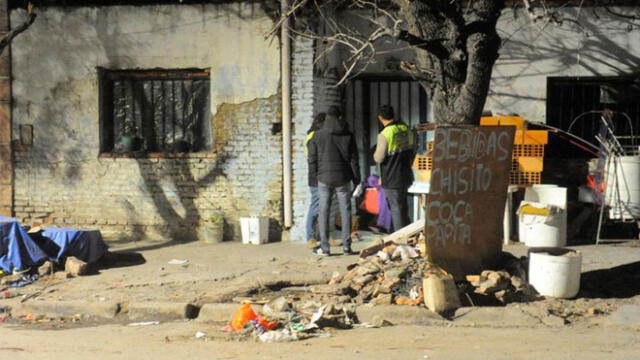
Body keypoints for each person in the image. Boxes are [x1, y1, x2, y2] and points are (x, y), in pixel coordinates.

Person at [308, 106, 360, 256]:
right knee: (345, 211)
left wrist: (314, 176)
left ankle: (325, 249)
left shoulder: (317, 136)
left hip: (323, 179)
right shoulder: (348, 135)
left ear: (327, 117)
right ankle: (347, 247)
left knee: (323, 211)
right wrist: (357, 179)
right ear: (340, 116)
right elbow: (354, 160)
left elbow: (312, 159)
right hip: (343, 178)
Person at [373, 105, 415, 232]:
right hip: (406, 174)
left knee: (396, 209)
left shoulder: (385, 134)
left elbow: (378, 158)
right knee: (404, 208)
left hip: (392, 177)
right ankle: (408, 235)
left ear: (380, 118)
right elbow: (413, 149)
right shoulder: (405, 129)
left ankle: (400, 240)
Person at [304, 113, 325, 245]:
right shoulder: (313, 137)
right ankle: (310, 237)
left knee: (321, 207)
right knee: (315, 207)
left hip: (317, 176)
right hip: (316, 177)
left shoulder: (313, 135)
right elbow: (313, 160)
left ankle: (321, 236)